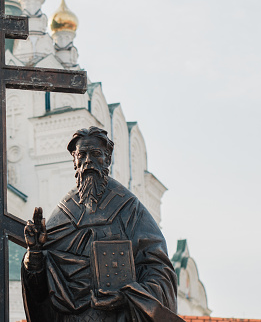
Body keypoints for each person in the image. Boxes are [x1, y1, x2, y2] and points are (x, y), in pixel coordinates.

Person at [22, 126, 184, 322]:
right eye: (81, 155)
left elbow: (158, 269)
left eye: (95, 154)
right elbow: (41, 292)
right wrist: (35, 253)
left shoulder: (128, 208)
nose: (88, 160)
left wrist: (128, 295)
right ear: (74, 161)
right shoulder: (63, 214)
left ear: (108, 159)